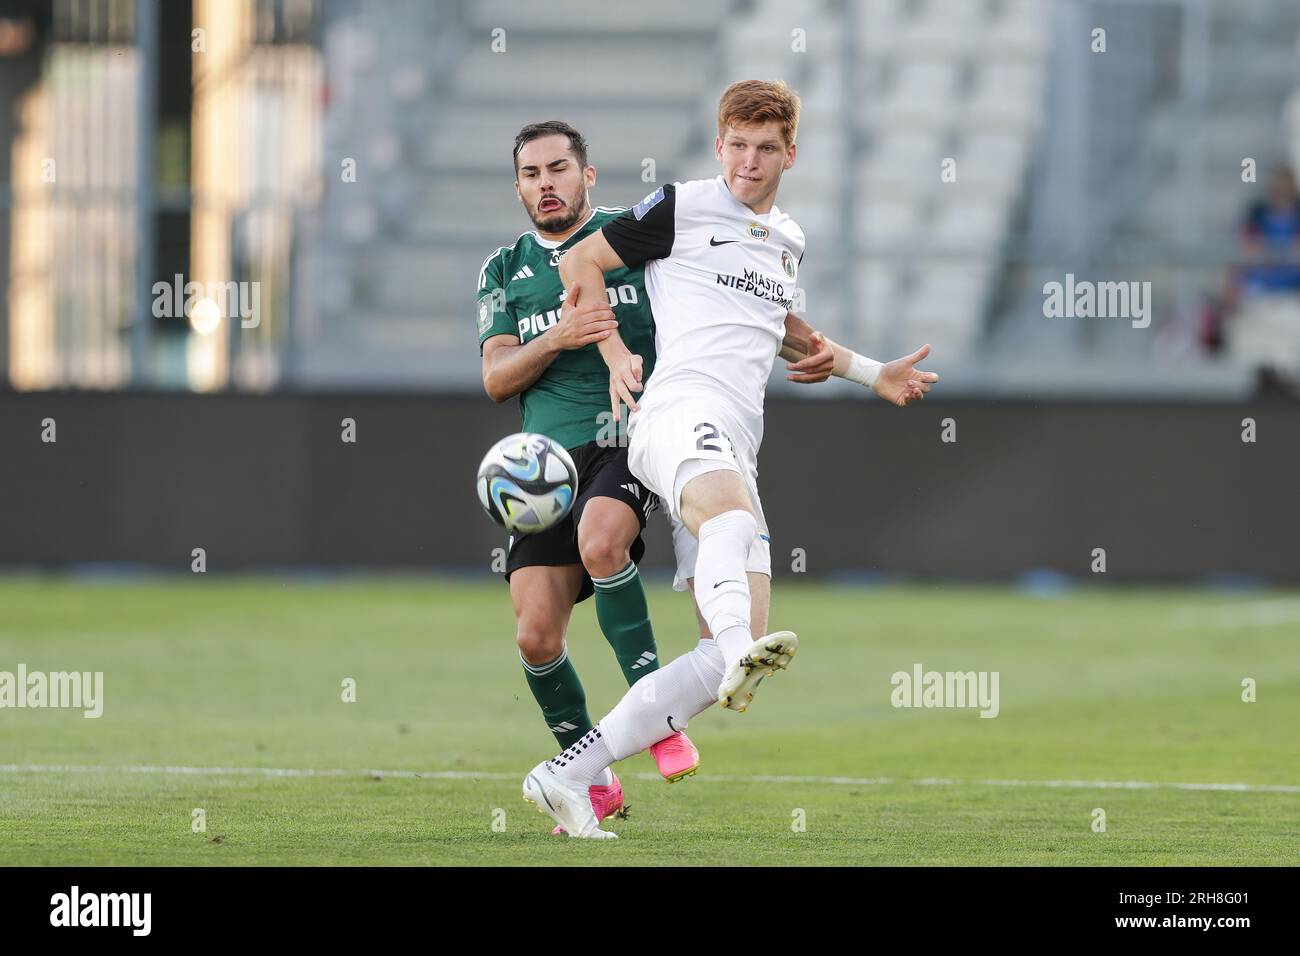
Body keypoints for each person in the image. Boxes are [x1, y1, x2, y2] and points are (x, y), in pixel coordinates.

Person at [524, 80, 939, 838]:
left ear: (790, 153)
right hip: (678, 411)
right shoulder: (681, 206)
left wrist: (868, 371)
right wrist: (615, 351)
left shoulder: (785, 238)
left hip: (734, 439)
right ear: (720, 146)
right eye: (737, 145)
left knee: (718, 663)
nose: (749, 161)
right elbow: (578, 264)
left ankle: (568, 775)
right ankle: (747, 649)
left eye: (765, 148)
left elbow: (781, 324)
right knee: (733, 525)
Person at [477, 120, 840, 832]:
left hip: (635, 434)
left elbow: (743, 292)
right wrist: (559, 336)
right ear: (518, 185)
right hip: (545, 461)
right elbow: (495, 378)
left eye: (558, 169)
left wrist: (828, 351)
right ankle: (591, 775)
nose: (545, 183)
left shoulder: (636, 235)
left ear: (589, 176)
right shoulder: (504, 268)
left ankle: (652, 700)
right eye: (530, 174)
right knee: (535, 638)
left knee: (604, 538)